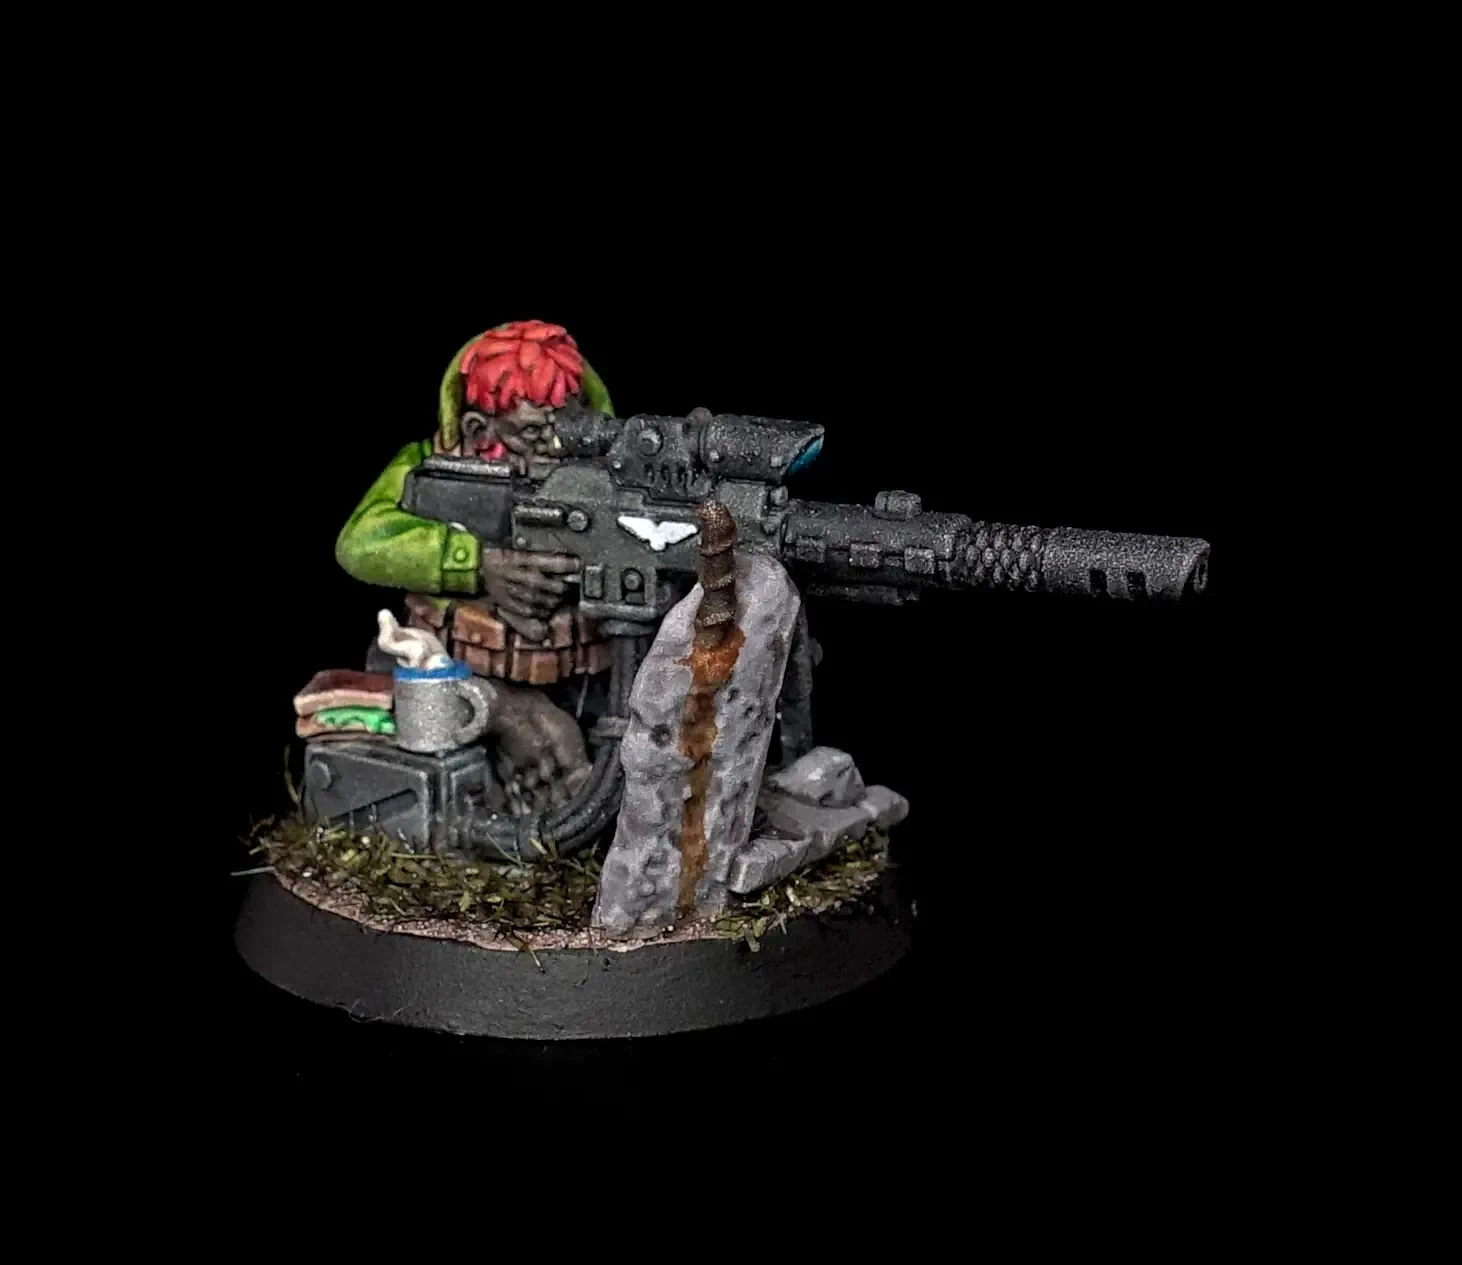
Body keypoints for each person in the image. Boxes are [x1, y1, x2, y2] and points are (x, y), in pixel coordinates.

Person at [335, 319, 614, 811]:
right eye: (533, 432)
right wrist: (477, 564)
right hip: (464, 669)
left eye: (569, 428)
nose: (555, 448)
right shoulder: (431, 468)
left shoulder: (601, 472)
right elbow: (362, 541)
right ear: (478, 430)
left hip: (587, 670)